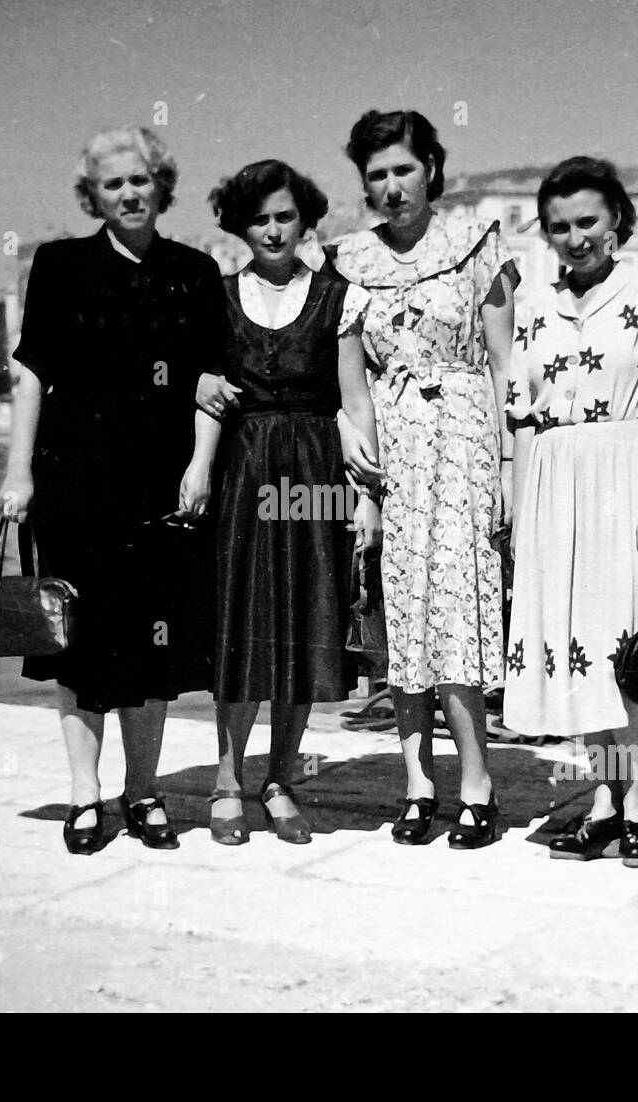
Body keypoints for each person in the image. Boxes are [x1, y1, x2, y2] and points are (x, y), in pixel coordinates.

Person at [0, 125, 227, 855]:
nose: (129, 194)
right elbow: (32, 370)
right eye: (112, 184)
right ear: (91, 195)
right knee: (81, 646)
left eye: (140, 180)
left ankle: (144, 792)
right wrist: (18, 468)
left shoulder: (194, 272)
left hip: (161, 486)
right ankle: (84, 795)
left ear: (162, 186)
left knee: (154, 649)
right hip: (75, 483)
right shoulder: (61, 265)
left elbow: (210, 383)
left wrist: (201, 467)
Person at [502, 156, 638, 868]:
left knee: (632, 650)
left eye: (587, 220)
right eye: (560, 227)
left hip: (629, 475)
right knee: (580, 647)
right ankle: (602, 802)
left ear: (618, 217)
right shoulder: (533, 304)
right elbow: (524, 419)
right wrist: (522, 517)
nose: (575, 237)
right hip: (557, 485)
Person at [328, 109, 518, 848]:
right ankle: (417, 783)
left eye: (403, 169)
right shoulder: (349, 261)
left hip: (466, 438)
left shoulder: (475, 245)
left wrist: (507, 464)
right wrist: (359, 464)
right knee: (402, 612)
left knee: (459, 610)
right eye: (376, 175)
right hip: (392, 447)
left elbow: (506, 364)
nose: (391, 186)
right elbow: (350, 383)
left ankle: (478, 784)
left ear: (432, 168)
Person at [183, 160, 381, 845]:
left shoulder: (338, 297)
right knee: (245, 625)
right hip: (244, 468)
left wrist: (366, 497)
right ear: (241, 225)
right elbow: (208, 391)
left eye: (285, 217)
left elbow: (354, 400)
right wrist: (200, 466)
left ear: (305, 221)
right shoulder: (217, 295)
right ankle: (228, 781)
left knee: (300, 621)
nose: (272, 230)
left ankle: (281, 779)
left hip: (314, 467)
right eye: (260, 218)